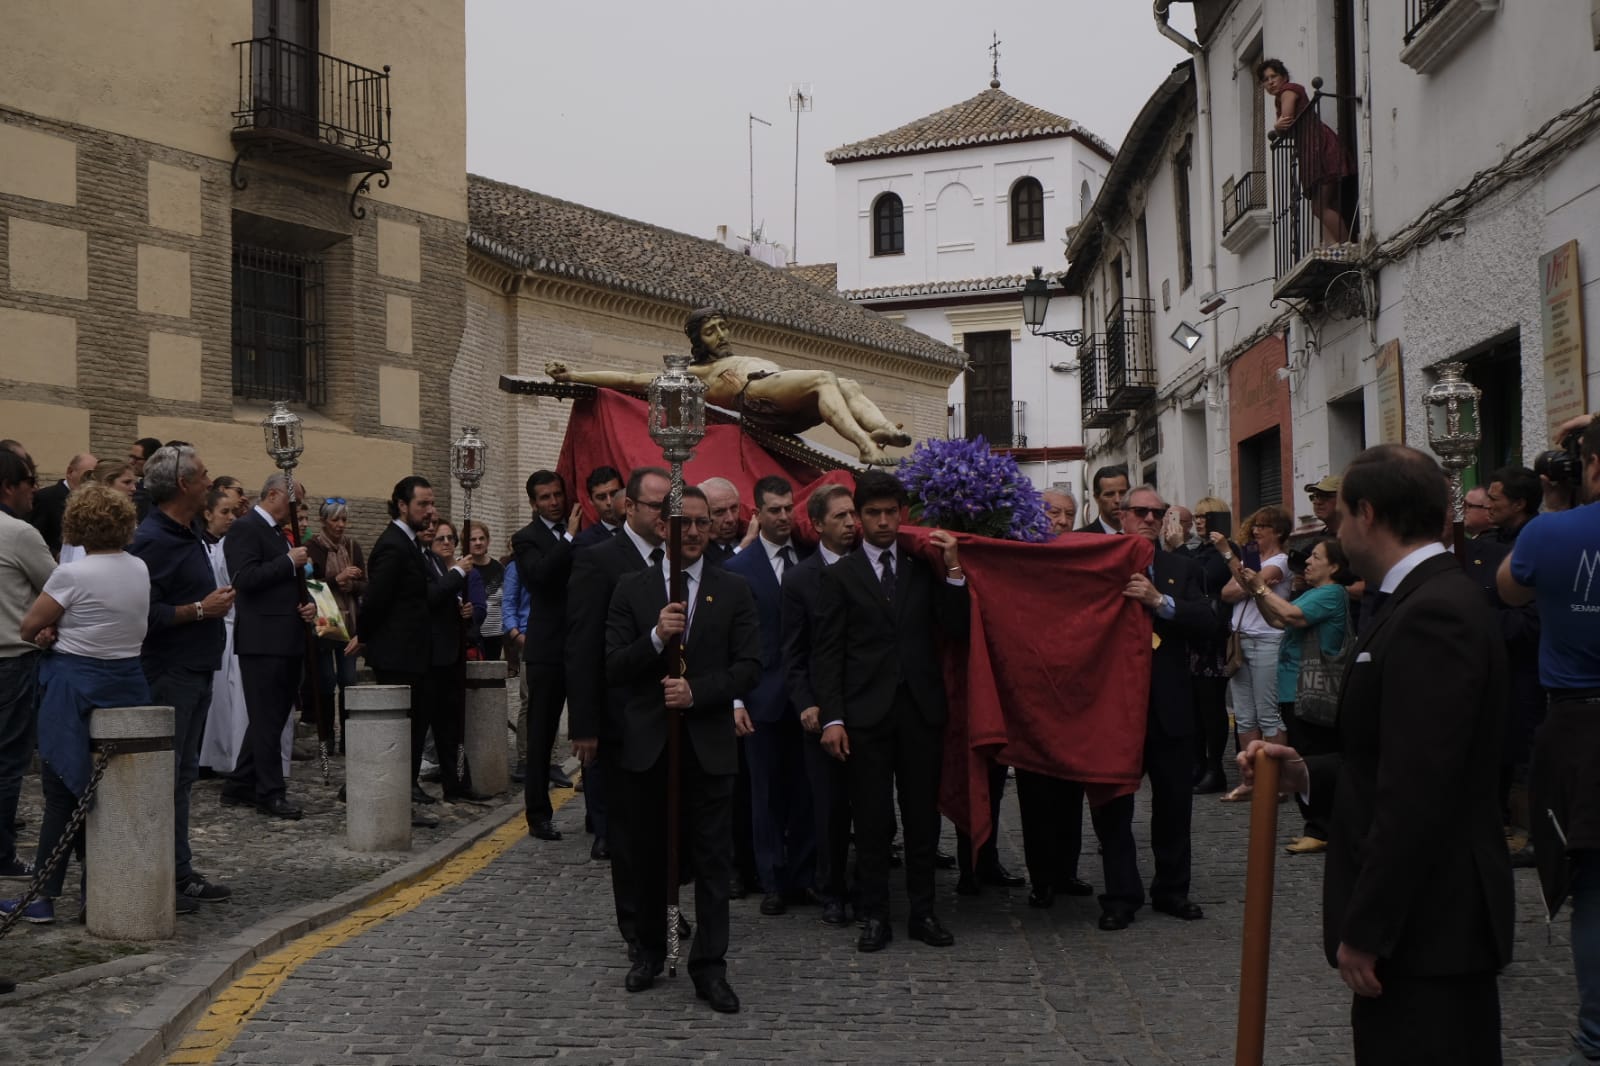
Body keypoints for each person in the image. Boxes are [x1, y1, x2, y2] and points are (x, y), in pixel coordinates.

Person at [1243, 444, 1512, 1065]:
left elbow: (1419, 790)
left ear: (1366, 513)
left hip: (1428, 928)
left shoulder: (1434, 611)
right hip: (1423, 927)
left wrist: (1370, 929)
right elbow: (1395, 755)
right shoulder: (1418, 597)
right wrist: (1306, 771)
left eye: (1337, 517)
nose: (1331, 532)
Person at [606, 485, 761, 1012]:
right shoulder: (632, 588)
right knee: (649, 858)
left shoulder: (733, 588)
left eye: (701, 523)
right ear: (662, 528)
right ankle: (649, 949)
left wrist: (700, 692)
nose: (693, 532)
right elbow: (615, 665)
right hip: (650, 748)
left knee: (714, 863)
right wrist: (654, 637)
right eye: (683, 523)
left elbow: (749, 666)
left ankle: (709, 967)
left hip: (709, 747)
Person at [815, 471, 969, 952]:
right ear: (858, 518)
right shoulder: (839, 575)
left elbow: (956, 628)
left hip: (920, 711)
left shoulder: (923, 567)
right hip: (865, 716)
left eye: (890, 513)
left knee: (923, 818)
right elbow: (828, 653)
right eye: (873, 513)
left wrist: (954, 571)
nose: (883, 521)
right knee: (873, 820)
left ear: (902, 515)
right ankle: (875, 914)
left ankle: (923, 913)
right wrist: (833, 718)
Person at [1496, 418, 1600, 1066]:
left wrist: (1558, 510)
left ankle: (1595, 1039)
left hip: (1580, 723)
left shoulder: (1548, 530)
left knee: (1595, 887)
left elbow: (1509, 589)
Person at [1, 484, 148, 924]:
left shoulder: (73, 574)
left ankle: (43, 896)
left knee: (62, 793)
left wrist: (51, 633)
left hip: (75, 685)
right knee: (111, 793)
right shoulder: (139, 567)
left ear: (77, 525)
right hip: (127, 683)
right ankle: (93, 890)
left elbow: (29, 627)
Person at [551, 309, 911, 465]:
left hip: (784, 397)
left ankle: (879, 428)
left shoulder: (734, 357)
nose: (721, 335)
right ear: (697, 341)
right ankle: (865, 445)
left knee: (845, 382)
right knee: (823, 378)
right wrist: (575, 374)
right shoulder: (695, 372)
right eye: (711, 331)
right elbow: (631, 380)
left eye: (724, 326)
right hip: (757, 397)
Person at [1089, 487, 1214, 931]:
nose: (1148, 519)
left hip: (1169, 706)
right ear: (1120, 516)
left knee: (1174, 805)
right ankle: (1121, 895)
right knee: (1112, 808)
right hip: (1113, 707)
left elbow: (1209, 622)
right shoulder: (1097, 561)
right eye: (1139, 512)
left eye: (1156, 513)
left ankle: (1172, 890)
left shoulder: (1182, 568)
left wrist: (1160, 602)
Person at [566, 467, 670, 960]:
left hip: (672, 716)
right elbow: (583, 647)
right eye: (656, 506)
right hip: (621, 718)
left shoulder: (679, 558)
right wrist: (585, 726)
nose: (666, 516)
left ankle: (665, 908)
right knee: (628, 833)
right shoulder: (599, 561)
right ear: (630, 508)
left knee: (668, 826)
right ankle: (635, 927)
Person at [126, 445, 236, 902]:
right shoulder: (150, 540)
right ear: (185, 485)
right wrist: (199, 609)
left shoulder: (189, 531)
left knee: (184, 775)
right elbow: (142, 615)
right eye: (205, 475)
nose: (211, 482)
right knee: (167, 777)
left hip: (196, 667)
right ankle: (159, 875)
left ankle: (177, 871)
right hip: (170, 670)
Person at [725, 475, 816, 916]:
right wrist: (736, 701)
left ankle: (803, 875)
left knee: (806, 792)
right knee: (764, 796)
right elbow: (726, 641)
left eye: (788, 509)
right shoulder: (737, 569)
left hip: (807, 700)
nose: (783, 517)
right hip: (759, 699)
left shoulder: (812, 558)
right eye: (774, 510)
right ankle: (773, 878)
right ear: (756, 514)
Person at [1240, 538, 1353, 854]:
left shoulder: (1331, 593)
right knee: (1306, 754)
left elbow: (1290, 616)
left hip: (1314, 689)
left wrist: (1260, 588)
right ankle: (1316, 826)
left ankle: (1323, 828)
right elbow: (1276, 618)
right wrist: (1255, 590)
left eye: (1316, 557)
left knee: (1314, 758)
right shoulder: (1314, 593)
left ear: (1334, 566)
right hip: (1297, 689)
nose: (1308, 562)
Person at [781, 484, 861, 926]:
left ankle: (869, 885)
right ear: (817, 526)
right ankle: (831, 888)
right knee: (827, 807)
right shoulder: (798, 580)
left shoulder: (873, 567)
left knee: (869, 806)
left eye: (853, 515)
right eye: (840, 517)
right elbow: (792, 653)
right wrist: (807, 704)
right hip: (821, 713)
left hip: (868, 705)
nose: (851, 524)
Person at [358, 476, 456, 828]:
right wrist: (364, 637)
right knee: (401, 736)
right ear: (402, 505)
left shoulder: (411, 543)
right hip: (398, 656)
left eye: (431, 504)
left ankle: (400, 798)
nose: (430, 512)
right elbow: (375, 601)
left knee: (411, 733)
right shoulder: (394, 545)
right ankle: (393, 801)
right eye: (422, 505)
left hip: (416, 655)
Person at [219, 474, 316, 820]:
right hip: (262, 640)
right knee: (265, 717)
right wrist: (289, 561)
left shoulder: (277, 533)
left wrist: (306, 605)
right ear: (275, 495)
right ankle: (270, 792)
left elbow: (281, 586)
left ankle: (240, 782)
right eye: (295, 501)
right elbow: (244, 578)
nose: (298, 509)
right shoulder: (246, 529)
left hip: (286, 635)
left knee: (271, 718)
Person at [510, 470, 580, 839]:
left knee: (590, 729)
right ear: (534, 503)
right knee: (541, 734)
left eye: (557, 494)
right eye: (545, 498)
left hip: (580, 645)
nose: (554, 502)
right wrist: (568, 536)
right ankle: (538, 814)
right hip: (547, 650)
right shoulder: (526, 539)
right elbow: (539, 576)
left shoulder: (583, 530)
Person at [1212, 505, 1292, 800]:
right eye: (1255, 525)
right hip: (1241, 641)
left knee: (1268, 714)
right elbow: (1228, 592)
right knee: (1245, 716)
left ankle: (1277, 780)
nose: (1256, 530)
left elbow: (1248, 583)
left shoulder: (1281, 561)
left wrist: (1227, 554)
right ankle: (1252, 779)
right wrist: (1246, 580)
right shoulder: (1252, 559)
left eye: (1263, 526)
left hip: (1268, 641)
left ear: (1279, 532)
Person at [0, 449, 53, 880]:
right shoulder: (18, 533)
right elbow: (60, 590)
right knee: (7, 761)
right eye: (28, 482)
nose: (34, 490)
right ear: (8, 487)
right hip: (11, 661)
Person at [1258, 58, 1352, 245]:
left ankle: (1344, 243)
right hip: (1313, 148)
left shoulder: (1288, 91)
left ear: (1283, 76)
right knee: (1322, 204)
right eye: (1265, 79)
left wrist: (1277, 128)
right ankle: (1335, 244)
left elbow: (1287, 121)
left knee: (1320, 205)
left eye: (1273, 76)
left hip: (1319, 147)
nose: (1270, 82)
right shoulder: (1283, 95)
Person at [423, 520, 483, 800]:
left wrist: (469, 611)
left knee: (452, 725)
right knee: (428, 726)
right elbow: (430, 599)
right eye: (440, 538)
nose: (446, 542)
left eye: (450, 538)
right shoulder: (429, 566)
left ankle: (458, 782)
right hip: (432, 654)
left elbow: (479, 608)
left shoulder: (466, 573)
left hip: (455, 650)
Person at [307, 498, 365, 753]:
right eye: (335, 520)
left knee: (349, 679)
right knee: (326, 680)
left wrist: (352, 585)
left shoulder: (353, 547)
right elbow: (310, 584)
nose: (341, 525)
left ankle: (348, 738)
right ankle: (326, 737)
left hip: (349, 619)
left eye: (344, 519)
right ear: (324, 521)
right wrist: (335, 579)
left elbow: (366, 584)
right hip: (324, 619)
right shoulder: (312, 547)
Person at [198, 486, 249, 776]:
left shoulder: (230, 545)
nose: (231, 518)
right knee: (219, 699)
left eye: (234, 512)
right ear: (208, 514)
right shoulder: (203, 546)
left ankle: (232, 754)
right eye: (224, 512)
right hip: (218, 624)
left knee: (233, 699)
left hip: (232, 624)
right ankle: (214, 755)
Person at [1186, 497, 1234, 794]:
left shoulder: (1225, 551)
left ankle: (1215, 768)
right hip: (1196, 636)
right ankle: (1199, 764)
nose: (1200, 520)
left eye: (1206, 516)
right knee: (1195, 707)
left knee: (1211, 706)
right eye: (1197, 515)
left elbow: (1204, 579)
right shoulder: (1201, 550)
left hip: (1214, 637)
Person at [58, 460, 138, 566]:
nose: (134, 488)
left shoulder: (124, 518)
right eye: (127, 482)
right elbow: (79, 563)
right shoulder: (88, 519)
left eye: (134, 483)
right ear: (106, 483)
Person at [28, 452, 95, 558]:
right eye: (88, 476)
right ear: (70, 472)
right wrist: (56, 554)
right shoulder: (46, 498)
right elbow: (33, 538)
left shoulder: (93, 502)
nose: (91, 482)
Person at [464, 521, 505, 660]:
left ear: (488, 541)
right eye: (473, 539)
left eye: (482, 538)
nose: (478, 542)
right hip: (469, 638)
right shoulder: (461, 568)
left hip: (495, 635)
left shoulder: (499, 569)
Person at [700, 477, 756, 565]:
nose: (731, 519)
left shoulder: (754, 534)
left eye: (734, 508)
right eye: (719, 512)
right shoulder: (695, 547)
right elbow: (716, 574)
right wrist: (743, 546)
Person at [572, 466, 625, 550]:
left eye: (614, 494)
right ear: (591, 501)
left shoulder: (643, 530)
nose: (609, 502)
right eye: (601, 497)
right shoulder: (585, 542)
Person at [1081, 466, 1129, 534]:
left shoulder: (1141, 535)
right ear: (1096, 498)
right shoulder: (1083, 538)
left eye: (1122, 493)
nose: (1118, 500)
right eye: (1109, 494)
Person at [128, 436, 162, 520]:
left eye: (136, 458)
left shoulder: (151, 493)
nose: (131, 462)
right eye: (131, 457)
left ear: (152, 461)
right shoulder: (140, 486)